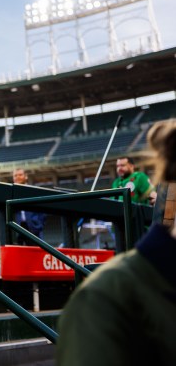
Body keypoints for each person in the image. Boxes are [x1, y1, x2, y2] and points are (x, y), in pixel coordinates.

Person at [56, 119, 176, 366]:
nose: (120, 168)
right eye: (118, 165)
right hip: (132, 240)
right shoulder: (105, 302)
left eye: (123, 164)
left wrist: (157, 200)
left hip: (142, 230)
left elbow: (154, 195)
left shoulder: (141, 178)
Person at [12, 168, 46, 244]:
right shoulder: (11, 192)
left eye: (20, 175)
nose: (17, 177)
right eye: (15, 175)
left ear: (26, 176)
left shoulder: (33, 191)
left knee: (35, 253)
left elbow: (42, 210)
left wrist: (39, 225)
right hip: (17, 228)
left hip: (33, 228)